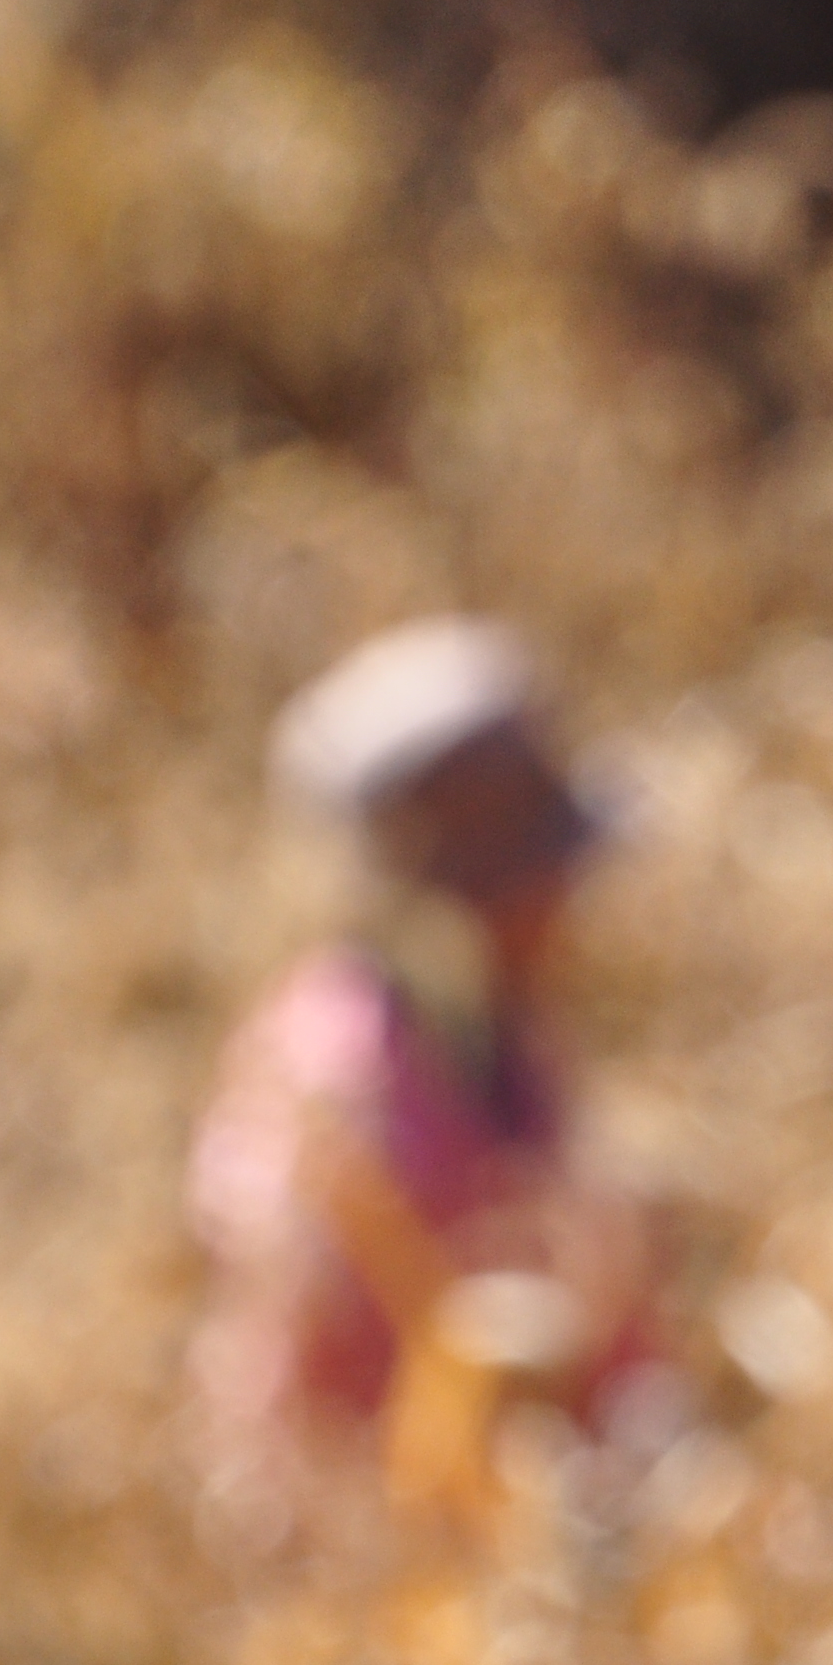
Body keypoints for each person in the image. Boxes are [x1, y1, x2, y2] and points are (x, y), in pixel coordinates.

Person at [188, 616, 660, 1518]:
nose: (565, 907)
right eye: (534, 880)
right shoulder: (334, 1095)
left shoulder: (496, 1031)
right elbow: (284, 1417)